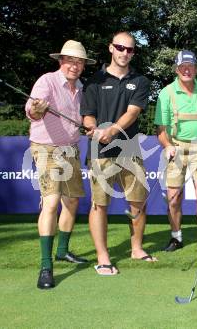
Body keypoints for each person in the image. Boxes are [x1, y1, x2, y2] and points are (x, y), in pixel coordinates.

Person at [81, 31, 155, 276]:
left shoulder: (141, 81)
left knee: (138, 202)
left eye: (130, 49)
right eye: (120, 48)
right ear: (110, 48)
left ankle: (136, 248)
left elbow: (133, 112)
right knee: (99, 204)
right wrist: (93, 127)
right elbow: (88, 114)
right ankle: (103, 257)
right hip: (100, 152)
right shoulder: (94, 81)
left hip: (129, 149)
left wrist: (111, 130)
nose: (124, 53)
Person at [25, 40, 95, 289]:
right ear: (61, 61)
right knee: (52, 201)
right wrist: (38, 109)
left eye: (79, 62)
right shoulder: (47, 81)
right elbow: (32, 110)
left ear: (83, 66)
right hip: (46, 148)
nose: (74, 66)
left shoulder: (83, 88)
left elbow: (85, 117)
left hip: (71, 149)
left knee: (73, 200)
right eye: (70, 61)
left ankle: (62, 250)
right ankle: (46, 267)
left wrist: (89, 126)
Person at [154, 50, 197, 262]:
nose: (187, 70)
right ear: (177, 69)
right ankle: (176, 237)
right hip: (175, 147)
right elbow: (161, 128)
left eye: (190, 66)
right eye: (182, 67)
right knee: (174, 197)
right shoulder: (166, 93)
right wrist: (167, 145)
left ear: (196, 68)